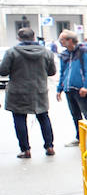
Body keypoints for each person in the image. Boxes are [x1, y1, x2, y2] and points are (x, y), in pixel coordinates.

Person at [0, 28, 57, 158]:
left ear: (19, 38)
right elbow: (52, 72)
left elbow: (3, 71)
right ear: (34, 37)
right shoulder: (46, 52)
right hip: (39, 90)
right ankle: (49, 146)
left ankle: (25, 149)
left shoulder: (12, 52)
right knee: (43, 118)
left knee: (20, 119)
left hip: (18, 92)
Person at [55, 30, 87, 146]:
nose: (60, 42)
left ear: (70, 40)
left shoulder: (84, 51)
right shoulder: (65, 54)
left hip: (81, 89)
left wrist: (86, 86)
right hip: (69, 89)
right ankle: (80, 138)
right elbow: (62, 72)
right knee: (75, 115)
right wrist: (59, 89)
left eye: (62, 39)